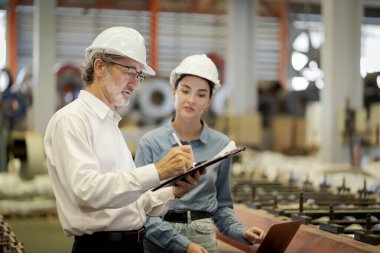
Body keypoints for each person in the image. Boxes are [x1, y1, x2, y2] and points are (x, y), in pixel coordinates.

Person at [44, 27, 203, 253]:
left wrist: (174, 191)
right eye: (130, 71)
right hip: (101, 248)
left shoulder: (109, 123)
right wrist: (158, 170)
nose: (136, 84)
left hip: (131, 245)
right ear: (99, 66)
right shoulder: (71, 121)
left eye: (139, 75)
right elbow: (87, 192)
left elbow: (132, 201)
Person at [134, 54, 265, 253]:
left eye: (201, 94)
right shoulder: (150, 143)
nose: (191, 100)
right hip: (158, 240)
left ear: (209, 101)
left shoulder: (222, 145)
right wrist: (183, 246)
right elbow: (139, 209)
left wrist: (241, 233)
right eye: (185, 91)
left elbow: (221, 207)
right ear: (173, 93)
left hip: (203, 240)